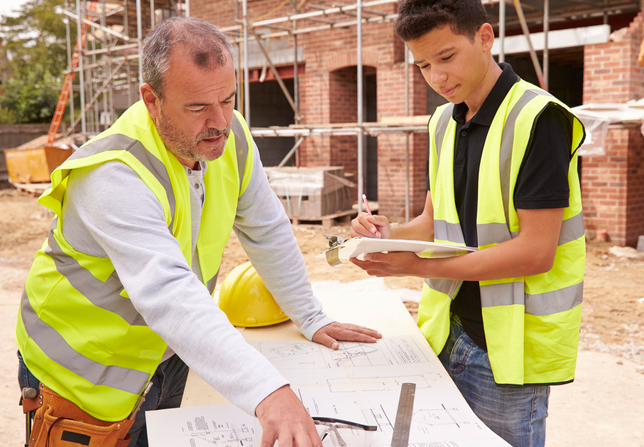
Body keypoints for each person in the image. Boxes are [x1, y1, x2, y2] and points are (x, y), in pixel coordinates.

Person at [16, 17, 381, 447]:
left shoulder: (231, 137)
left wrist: (311, 316)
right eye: (197, 108)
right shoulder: (112, 175)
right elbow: (170, 293)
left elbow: (267, 230)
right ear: (151, 101)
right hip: (82, 379)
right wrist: (268, 392)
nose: (220, 121)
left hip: (169, 360)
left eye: (228, 99)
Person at [350, 1, 586, 446]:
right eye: (422, 65)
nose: (436, 77)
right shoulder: (442, 121)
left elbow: (535, 252)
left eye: (446, 57)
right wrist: (387, 234)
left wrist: (412, 267)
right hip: (445, 331)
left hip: (509, 348)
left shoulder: (540, 118)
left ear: (483, 37)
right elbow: (435, 221)